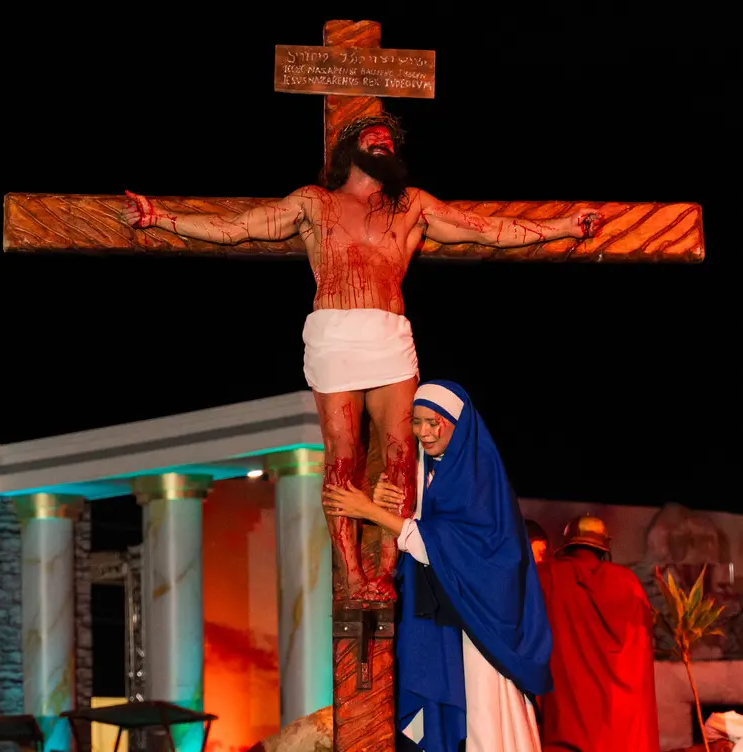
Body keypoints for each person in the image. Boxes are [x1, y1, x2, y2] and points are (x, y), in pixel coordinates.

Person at [122, 114, 604, 600]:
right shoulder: (317, 203)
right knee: (343, 456)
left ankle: (387, 569)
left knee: (401, 457)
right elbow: (236, 228)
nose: (383, 141)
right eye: (370, 137)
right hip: (334, 333)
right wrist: (159, 217)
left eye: (389, 140)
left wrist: (564, 225)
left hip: (389, 335)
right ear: (345, 151)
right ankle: (351, 575)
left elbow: (487, 230)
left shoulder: (410, 205)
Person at [323, 380, 553, 752]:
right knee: (441, 727)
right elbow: (425, 535)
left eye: (436, 424)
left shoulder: (481, 478)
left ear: (459, 426)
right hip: (441, 628)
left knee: (484, 728)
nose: (425, 433)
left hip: (478, 632)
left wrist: (371, 510)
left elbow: (472, 551)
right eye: (418, 422)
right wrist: (395, 507)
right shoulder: (432, 473)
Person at [536, 515, 664, 752]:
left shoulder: (548, 575)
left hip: (571, 694)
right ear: (605, 547)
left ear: (568, 544)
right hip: (623, 700)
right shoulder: (629, 582)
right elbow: (646, 637)